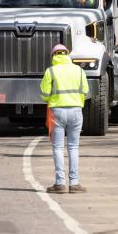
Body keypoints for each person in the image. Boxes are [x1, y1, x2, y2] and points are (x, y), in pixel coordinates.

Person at [40, 44, 89, 193]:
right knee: (74, 147)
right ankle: (74, 183)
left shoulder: (51, 71)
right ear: (68, 55)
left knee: (58, 147)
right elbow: (86, 92)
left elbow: (44, 95)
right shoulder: (79, 71)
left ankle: (60, 183)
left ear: (54, 56)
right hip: (75, 111)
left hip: (57, 112)